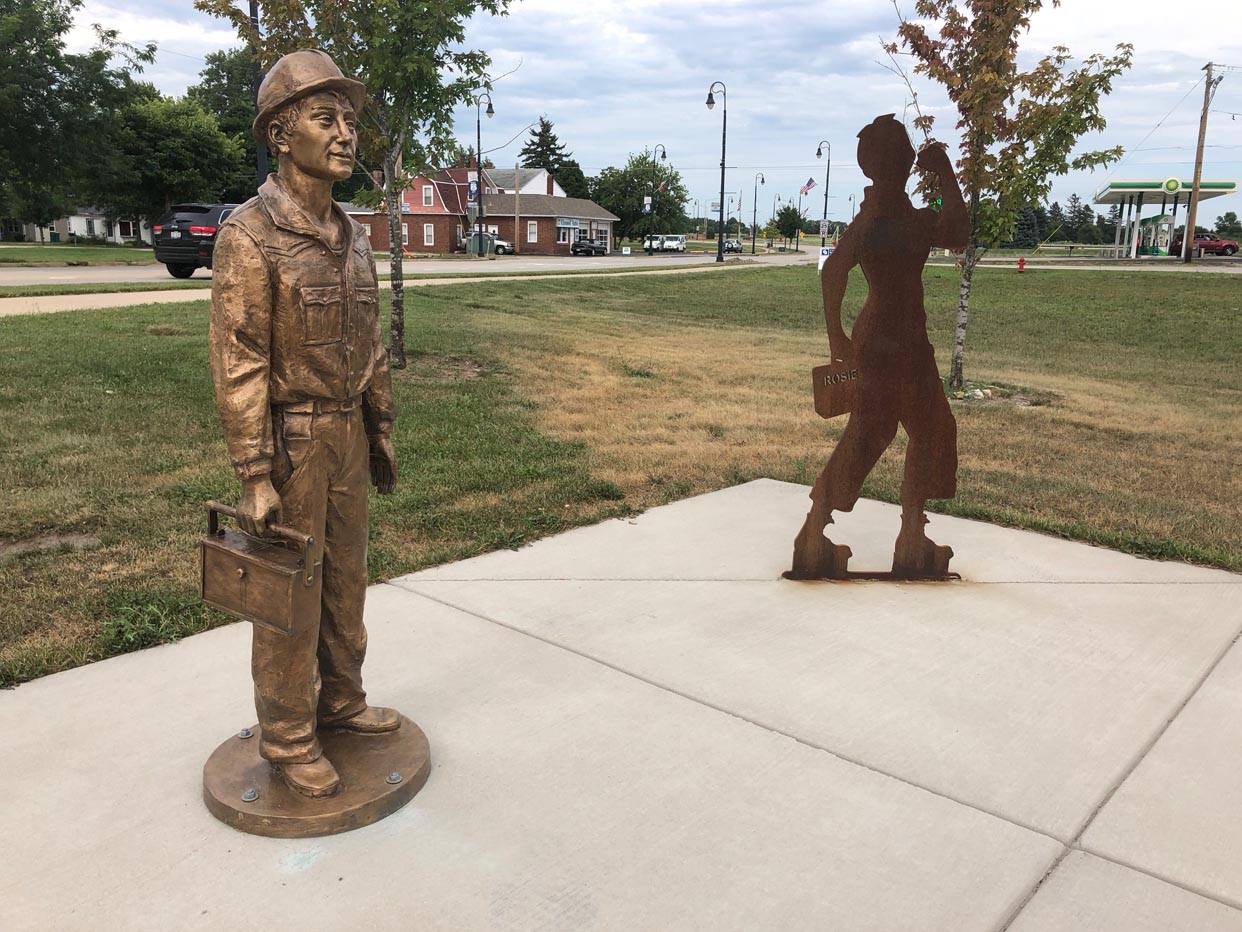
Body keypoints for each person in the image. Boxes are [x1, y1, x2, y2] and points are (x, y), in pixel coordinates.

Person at [209, 50, 400, 798]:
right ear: (282, 136)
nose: (347, 133)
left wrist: (379, 426)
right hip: (291, 445)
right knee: (289, 591)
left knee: (346, 581)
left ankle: (342, 702)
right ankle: (288, 734)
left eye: (350, 119)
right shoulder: (249, 236)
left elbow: (371, 338)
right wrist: (254, 472)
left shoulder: (352, 233)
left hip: (347, 433)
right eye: (327, 118)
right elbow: (240, 359)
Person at [789, 114, 968, 580]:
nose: (908, 159)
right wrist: (836, 339)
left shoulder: (886, 214)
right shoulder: (882, 216)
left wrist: (838, 337)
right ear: (899, 161)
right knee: (878, 433)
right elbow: (834, 271)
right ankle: (817, 535)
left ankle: (905, 535)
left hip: (903, 340)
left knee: (926, 430)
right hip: (889, 342)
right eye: (904, 152)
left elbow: (956, 234)